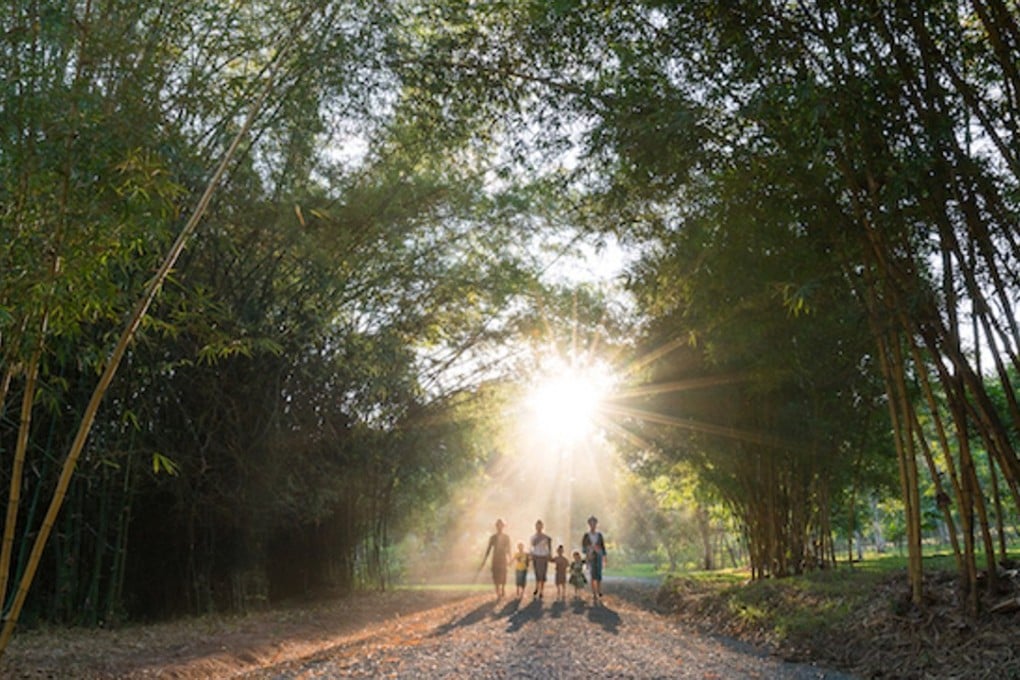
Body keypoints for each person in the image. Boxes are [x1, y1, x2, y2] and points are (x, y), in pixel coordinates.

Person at [480, 519, 512, 600]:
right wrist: (484, 560)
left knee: (504, 573)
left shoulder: (506, 537)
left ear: (503, 526)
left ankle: (503, 589)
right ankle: (498, 591)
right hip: (495, 558)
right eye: (498, 525)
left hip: (503, 557)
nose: (499, 527)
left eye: (501, 525)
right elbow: (488, 549)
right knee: (495, 574)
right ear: (496, 526)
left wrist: (510, 558)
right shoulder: (493, 537)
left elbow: (509, 549)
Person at [581, 515, 607, 602]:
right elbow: (583, 548)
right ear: (589, 525)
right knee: (592, 575)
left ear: (596, 524)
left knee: (599, 574)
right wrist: (588, 550)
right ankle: (594, 593)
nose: (593, 525)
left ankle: (599, 590)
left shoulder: (599, 535)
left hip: (598, 555)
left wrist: (604, 557)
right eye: (591, 523)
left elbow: (603, 547)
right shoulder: (586, 535)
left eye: (594, 523)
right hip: (591, 556)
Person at [529, 519, 553, 599]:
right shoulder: (533, 537)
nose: (538, 527)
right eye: (537, 526)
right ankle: (537, 587)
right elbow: (532, 547)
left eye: (540, 526)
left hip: (543, 556)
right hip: (536, 555)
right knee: (537, 573)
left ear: (542, 527)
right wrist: (530, 555)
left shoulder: (546, 537)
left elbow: (549, 547)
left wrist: (550, 555)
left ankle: (541, 590)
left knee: (542, 574)